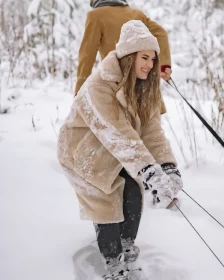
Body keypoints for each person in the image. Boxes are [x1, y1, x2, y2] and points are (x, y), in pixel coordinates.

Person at [57, 20, 183, 280]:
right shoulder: (98, 86)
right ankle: (114, 265)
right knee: (106, 199)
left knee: (133, 193)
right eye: (144, 57)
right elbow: (117, 134)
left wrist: (168, 168)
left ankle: (127, 248)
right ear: (128, 55)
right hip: (82, 152)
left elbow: (151, 132)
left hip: (113, 150)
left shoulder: (144, 87)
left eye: (152, 59)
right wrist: (150, 171)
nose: (149, 64)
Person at [76, 0, 172, 115]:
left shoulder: (96, 16)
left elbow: (87, 54)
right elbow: (161, 34)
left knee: (120, 128)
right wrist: (163, 66)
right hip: (143, 84)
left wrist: (79, 90)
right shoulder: (136, 14)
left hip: (118, 85)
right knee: (149, 128)